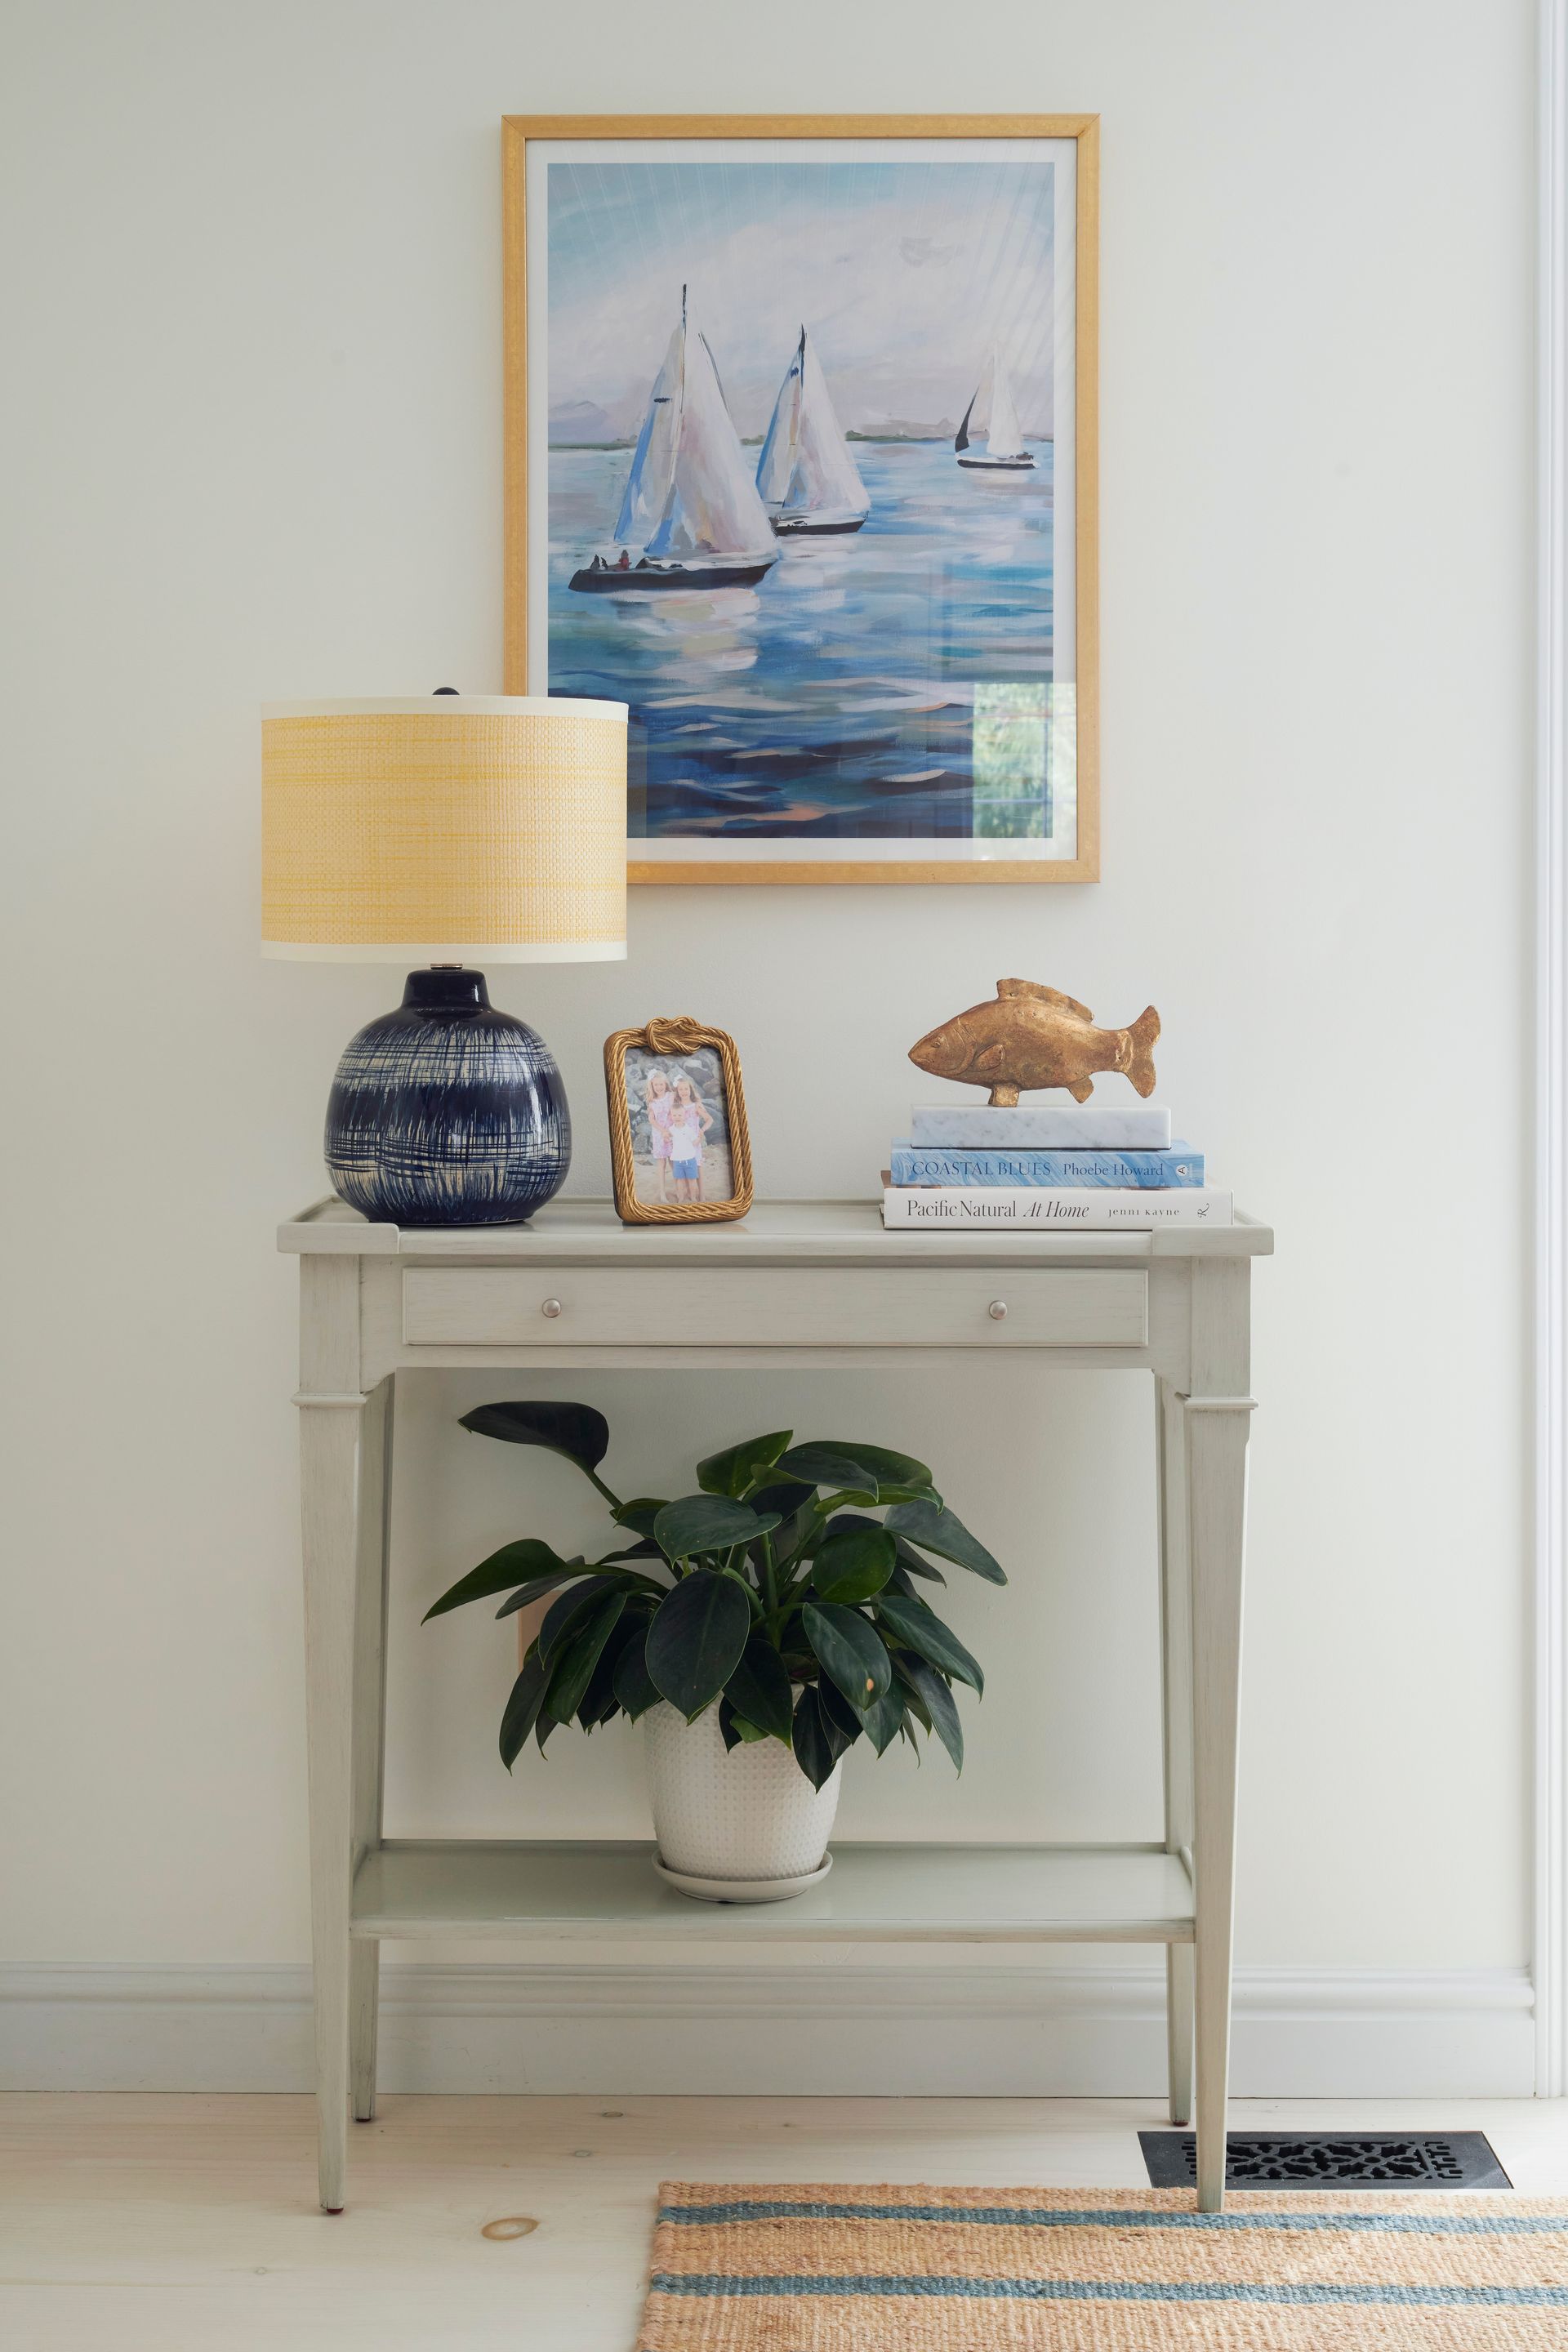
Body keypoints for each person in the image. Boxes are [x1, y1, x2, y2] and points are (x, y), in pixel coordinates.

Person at [667, 1075, 714, 1203]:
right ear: (677, 1091)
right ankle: (686, 1194)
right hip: (680, 1142)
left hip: (694, 1141)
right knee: (681, 1168)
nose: (683, 1092)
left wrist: (702, 1130)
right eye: (680, 1089)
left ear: (690, 1090)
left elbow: (710, 1119)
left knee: (697, 1166)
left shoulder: (696, 1105)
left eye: (686, 1089)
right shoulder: (677, 1106)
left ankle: (702, 1195)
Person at [643, 1066, 675, 1202]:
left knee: (674, 1163)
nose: (659, 1087)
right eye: (656, 1085)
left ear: (665, 1084)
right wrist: (662, 1131)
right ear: (652, 1085)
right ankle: (662, 1194)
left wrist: (670, 1131)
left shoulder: (670, 1096)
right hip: (659, 1135)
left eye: (661, 1084)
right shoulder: (652, 1101)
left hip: (672, 1132)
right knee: (661, 1165)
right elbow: (651, 1119)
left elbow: (673, 1113)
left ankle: (678, 1190)